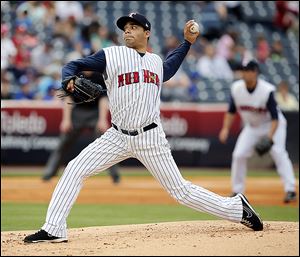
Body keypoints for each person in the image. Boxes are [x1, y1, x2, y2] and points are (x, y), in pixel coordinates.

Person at [24, 13, 263, 244]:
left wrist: (187, 43)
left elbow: (169, 68)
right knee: (75, 168)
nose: (127, 29)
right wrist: (68, 79)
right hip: (117, 136)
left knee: (180, 191)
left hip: (150, 138)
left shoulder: (155, 62)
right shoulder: (110, 55)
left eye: (134, 26)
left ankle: (236, 208)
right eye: (125, 27)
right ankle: (54, 229)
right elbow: (73, 64)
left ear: (146, 33)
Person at [218, 60, 297, 204]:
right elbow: (231, 111)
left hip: (273, 126)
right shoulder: (237, 88)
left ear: (255, 73)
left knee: (278, 152)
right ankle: (237, 191)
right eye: (243, 70)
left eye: (248, 70)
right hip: (252, 127)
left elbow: (275, 117)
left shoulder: (266, 90)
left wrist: (269, 138)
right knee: (239, 154)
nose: (245, 73)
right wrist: (225, 129)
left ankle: (290, 190)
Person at [42, 71, 120, 184]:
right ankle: (49, 173)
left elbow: (103, 99)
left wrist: (102, 119)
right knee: (63, 143)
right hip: (77, 112)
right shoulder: (75, 75)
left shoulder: (100, 76)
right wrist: (66, 120)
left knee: (107, 143)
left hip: (95, 113)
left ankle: (115, 176)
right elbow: (68, 99)